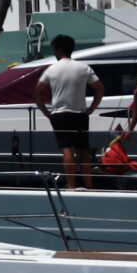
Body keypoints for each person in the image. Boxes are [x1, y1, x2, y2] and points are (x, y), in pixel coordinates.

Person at [33, 34, 105, 190]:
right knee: (84, 151)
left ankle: (71, 186)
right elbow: (99, 88)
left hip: (60, 114)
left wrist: (46, 112)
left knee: (67, 150)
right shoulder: (83, 67)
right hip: (80, 113)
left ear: (58, 50)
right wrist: (92, 107)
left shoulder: (51, 69)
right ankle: (89, 186)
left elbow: (37, 92)